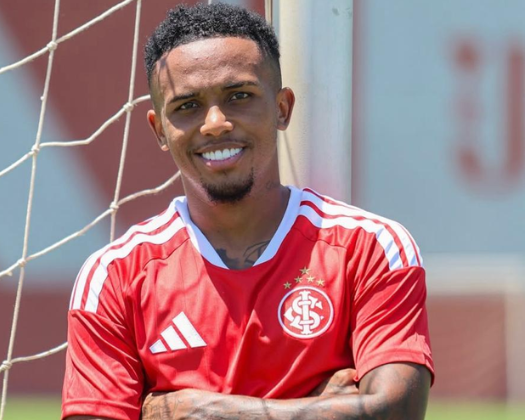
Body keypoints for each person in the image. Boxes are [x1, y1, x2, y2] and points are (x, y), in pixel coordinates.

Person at [61, 3, 434, 420]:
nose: (215, 123)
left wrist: (202, 410)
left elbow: (396, 411)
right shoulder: (115, 276)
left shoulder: (370, 247)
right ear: (159, 130)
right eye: (187, 106)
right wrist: (320, 408)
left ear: (282, 108)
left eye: (239, 96)